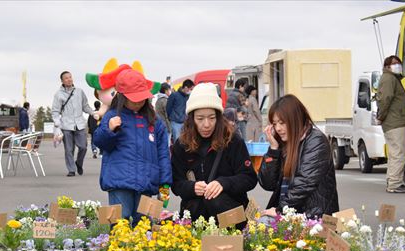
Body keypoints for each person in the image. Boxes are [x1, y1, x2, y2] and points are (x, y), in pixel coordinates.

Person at [171, 83, 257, 229]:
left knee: (215, 199)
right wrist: (192, 187)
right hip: (197, 218)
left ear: (219, 116)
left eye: (212, 118)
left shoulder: (233, 140)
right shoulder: (182, 144)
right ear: (191, 119)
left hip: (230, 214)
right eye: (200, 119)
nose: (206, 124)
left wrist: (224, 183)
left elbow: (249, 178)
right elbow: (176, 183)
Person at [94, 69, 172, 225]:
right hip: (119, 181)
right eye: (133, 99)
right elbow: (100, 142)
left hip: (147, 182)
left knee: (144, 225)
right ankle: (117, 249)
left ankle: (143, 250)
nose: (138, 102)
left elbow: (163, 154)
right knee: (119, 223)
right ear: (122, 97)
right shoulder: (112, 116)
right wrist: (109, 130)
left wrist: (165, 183)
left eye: (142, 98)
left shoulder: (155, 122)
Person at [258, 94, 339, 219]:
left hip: (313, 218)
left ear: (295, 119)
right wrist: (273, 149)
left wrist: (281, 210)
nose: (278, 128)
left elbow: (304, 183)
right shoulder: (283, 143)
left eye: (282, 123)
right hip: (290, 213)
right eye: (274, 124)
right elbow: (268, 184)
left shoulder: (316, 141)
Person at [376, 55, 405, 193]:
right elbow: (385, 99)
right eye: (394, 63)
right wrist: (381, 116)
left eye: (399, 63)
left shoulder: (391, 78)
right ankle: (395, 184)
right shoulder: (389, 79)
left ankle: (393, 181)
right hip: (395, 122)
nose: (397, 65)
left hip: (394, 121)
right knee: (399, 153)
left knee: (394, 154)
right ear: (387, 66)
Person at [52, 71, 94, 177]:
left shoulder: (79, 91)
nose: (69, 79)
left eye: (70, 77)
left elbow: (85, 106)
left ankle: (79, 163)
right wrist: (57, 124)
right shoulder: (58, 94)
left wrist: (93, 113)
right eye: (66, 78)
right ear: (62, 81)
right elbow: (55, 111)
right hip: (66, 125)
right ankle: (71, 169)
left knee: (83, 147)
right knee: (69, 149)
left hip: (79, 124)